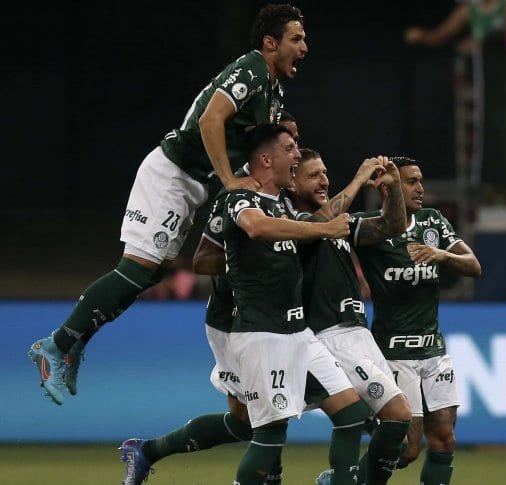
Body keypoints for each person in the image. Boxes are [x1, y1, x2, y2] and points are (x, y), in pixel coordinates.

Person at [28, 3, 309, 405]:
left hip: (193, 183)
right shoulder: (251, 69)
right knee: (137, 267)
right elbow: (211, 120)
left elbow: (253, 146)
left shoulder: (272, 90)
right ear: (270, 43)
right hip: (173, 173)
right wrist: (230, 181)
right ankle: (55, 346)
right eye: (295, 38)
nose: (304, 47)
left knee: (151, 274)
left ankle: (72, 345)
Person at [120, 125, 377, 485]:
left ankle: (148, 451)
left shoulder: (282, 204)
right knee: (267, 433)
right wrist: (317, 233)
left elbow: (320, 221)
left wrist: (355, 187)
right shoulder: (239, 197)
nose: (297, 155)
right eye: (291, 147)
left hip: (297, 330)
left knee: (351, 412)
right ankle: (151, 452)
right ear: (266, 158)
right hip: (260, 331)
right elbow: (255, 229)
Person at [286, 148, 414, 485]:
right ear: (292, 183)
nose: (324, 180)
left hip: (360, 334)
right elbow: (319, 223)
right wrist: (359, 180)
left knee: (404, 439)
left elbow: (392, 225)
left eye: (325, 172)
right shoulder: (294, 225)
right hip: (329, 336)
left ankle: (343, 480)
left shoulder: (339, 225)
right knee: (398, 415)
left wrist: (393, 190)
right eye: (314, 175)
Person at [350, 157, 482, 485]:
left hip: (434, 349)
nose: (419, 188)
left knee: (445, 439)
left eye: (420, 180)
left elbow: (473, 265)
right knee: (408, 449)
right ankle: (345, 479)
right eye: (410, 181)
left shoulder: (432, 222)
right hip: (394, 351)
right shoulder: (370, 228)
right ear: (387, 187)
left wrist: (442, 255)